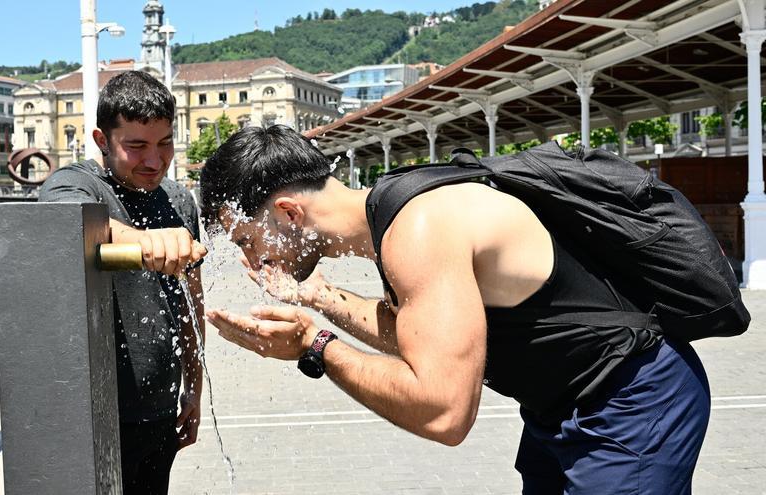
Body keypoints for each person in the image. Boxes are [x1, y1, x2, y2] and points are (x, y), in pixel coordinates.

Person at [199, 125, 711, 494]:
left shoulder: (418, 229)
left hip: (631, 398)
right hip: (565, 407)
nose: (252, 258)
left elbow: (444, 411)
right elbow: (423, 340)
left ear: (289, 211)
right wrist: (317, 298)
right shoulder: (393, 210)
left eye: (248, 239)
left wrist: (315, 346)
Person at [39, 70, 207, 494]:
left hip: (162, 407)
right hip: (97, 413)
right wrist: (143, 242)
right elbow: (67, 218)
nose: (155, 160)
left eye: (165, 142)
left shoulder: (179, 199)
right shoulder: (73, 184)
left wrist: (194, 387)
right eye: (136, 146)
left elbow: (192, 300)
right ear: (101, 140)